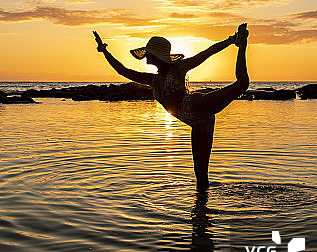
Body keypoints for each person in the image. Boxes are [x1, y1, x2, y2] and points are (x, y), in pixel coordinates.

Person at [92, 24, 249, 191]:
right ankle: (201, 213)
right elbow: (123, 71)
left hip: (199, 105)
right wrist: (105, 52)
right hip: (198, 124)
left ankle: (242, 44)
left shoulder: (178, 69)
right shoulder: (153, 80)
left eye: (148, 53)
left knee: (242, 84)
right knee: (201, 177)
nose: (145, 57)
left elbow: (206, 53)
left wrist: (231, 41)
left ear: (155, 55)